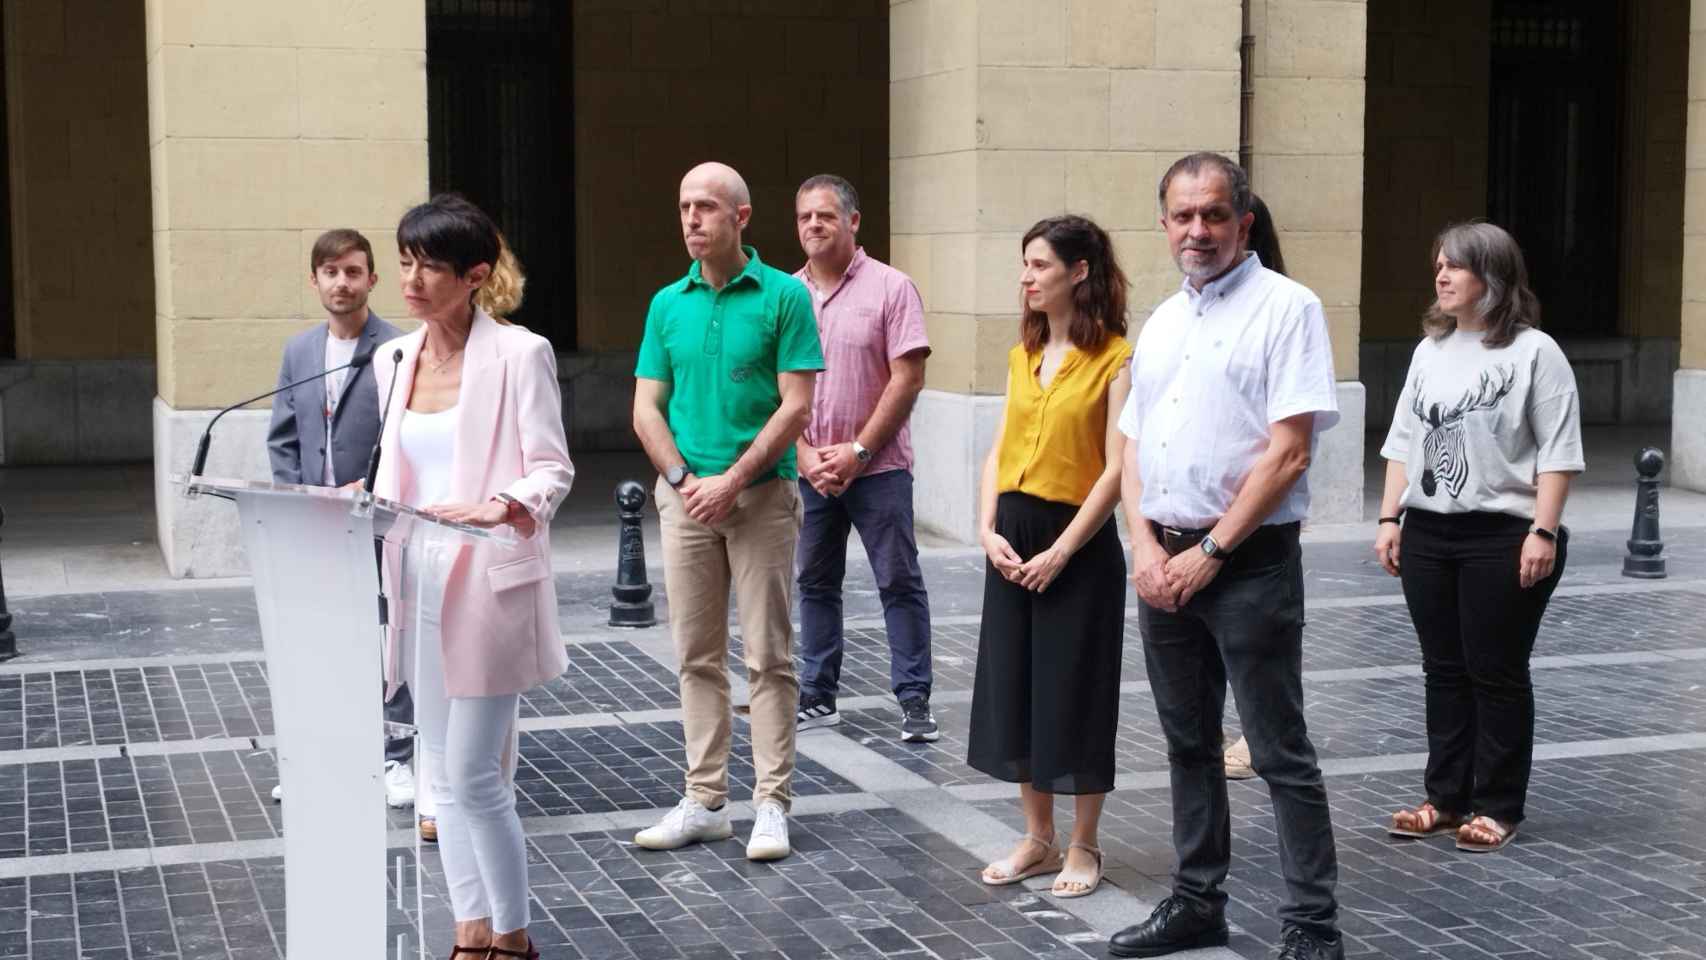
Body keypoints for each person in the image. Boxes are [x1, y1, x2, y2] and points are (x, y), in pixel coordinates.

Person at [1111, 153, 1344, 960]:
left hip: (1246, 565)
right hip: (1161, 564)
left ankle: (1313, 928)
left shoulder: (1290, 307)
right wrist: (1143, 543)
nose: (1197, 230)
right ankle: (1196, 903)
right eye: (1182, 215)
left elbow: (1289, 454)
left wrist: (1210, 551)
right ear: (1165, 223)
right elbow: (1133, 440)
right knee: (1186, 745)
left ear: (1245, 222)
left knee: (1280, 752)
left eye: (1213, 215)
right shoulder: (1166, 319)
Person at [373, 194, 574, 960]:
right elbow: (394, 469)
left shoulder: (521, 355)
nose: (411, 280)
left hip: (488, 585)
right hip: (414, 583)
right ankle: (470, 931)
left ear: (475, 275)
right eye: (405, 261)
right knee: (436, 773)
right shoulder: (393, 359)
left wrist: (500, 506)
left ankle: (514, 936)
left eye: (428, 265)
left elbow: (552, 467)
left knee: (473, 773)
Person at [631, 162, 824, 862]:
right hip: (685, 501)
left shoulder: (783, 297)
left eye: (706, 207)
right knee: (695, 656)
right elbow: (645, 405)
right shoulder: (666, 303)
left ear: (741, 217)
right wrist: (684, 479)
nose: (691, 219)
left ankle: (771, 803)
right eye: (684, 206)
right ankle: (705, 799)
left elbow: (796, 405)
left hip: (762, 498)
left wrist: (734, 478)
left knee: (770, 655)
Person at [1378, 222, 1582, 853]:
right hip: (1430, 532)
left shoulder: (1534, 352)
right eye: (1438, 265)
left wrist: (1542, 530)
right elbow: (1405, 442)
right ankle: (1444, 798)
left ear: (1491, 278)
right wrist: (1391, 518)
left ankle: (1497, 804)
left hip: (1505, 533)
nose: (1441, 276)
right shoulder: (1428, 351)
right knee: (1442, 670)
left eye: (1456, 267)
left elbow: (1558, 451)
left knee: (1495, 671)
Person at [967, 215, 1131, 901]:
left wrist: (1064, 550)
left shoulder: (1119, 358)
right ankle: (1036, 837)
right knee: (1019, 686)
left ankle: (1083, 843)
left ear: (1080, 271)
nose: (1026, 278)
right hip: (1013, 534)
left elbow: (1119, 470)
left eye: (1038, 265)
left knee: (1077, 689)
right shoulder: (1021, 355)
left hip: (1080, 542)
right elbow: (999, 451)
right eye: (1024, 264)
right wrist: (985, 530)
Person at [263, 230, 412, 810]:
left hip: (375, 522)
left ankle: (395, 759)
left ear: (371, 279)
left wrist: (371, 492)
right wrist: (293, 501)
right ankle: (318, 758)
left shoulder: (398, 350)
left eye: (353, 272)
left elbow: (403, 441)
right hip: (313, 527)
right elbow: (282, 437)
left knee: (385, 642)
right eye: (330, 272)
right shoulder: (299, 352)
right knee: (316, 644)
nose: (341, 283)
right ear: (315, 280)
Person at [789, 174, 936, 742]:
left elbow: (909, 378)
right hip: (809, 473)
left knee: (898, 581)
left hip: (879, 469)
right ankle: (818, 695)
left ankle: (915, 699)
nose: (813, 226)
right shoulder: (785, 294)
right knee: (814, 583)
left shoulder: (892, 288)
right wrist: (802, 454)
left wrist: (857, 451)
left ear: (853, 221)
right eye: (804, 217)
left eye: (825, 216)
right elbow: (775, 388)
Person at [1222, 194, 1285, 783]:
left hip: (1253, 515)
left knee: (1254, 641)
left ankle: (1252, 732)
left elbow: (1290, 442)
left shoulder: (1281, 307)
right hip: (1201, 513)